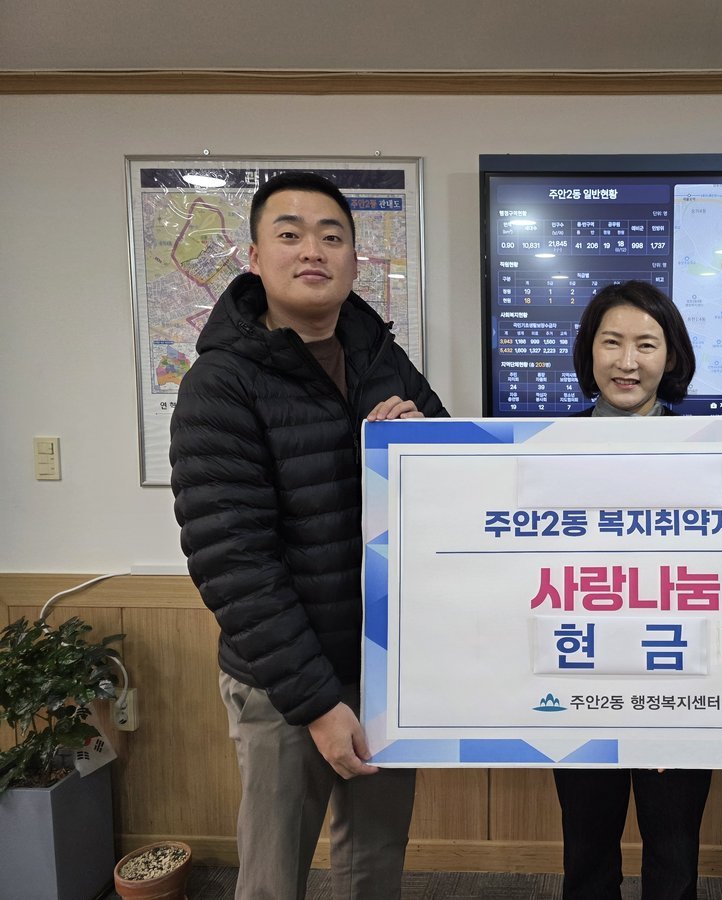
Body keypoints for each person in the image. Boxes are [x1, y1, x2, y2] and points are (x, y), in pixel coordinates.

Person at [170, 171, 449, 899]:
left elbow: (453, 487)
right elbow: (233, 563)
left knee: (374, 863)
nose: (312, 251)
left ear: (354, 258)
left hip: (381, 666)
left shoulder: (380, 356)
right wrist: (319, 705)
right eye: (289, 234)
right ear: (255, 258)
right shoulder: (220, 383)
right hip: (282, 683)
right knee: (273, 874)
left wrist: (425, 438)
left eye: (332, 236)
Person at [554, 280, 710, 900]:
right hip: (577, 676)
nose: (627, 361)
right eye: (611, 342)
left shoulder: (713, 454)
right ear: (588, 352)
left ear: (670, 357)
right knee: (586, 850)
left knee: (674, 851)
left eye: (646, 344)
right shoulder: (541, 451)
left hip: (679, 679)